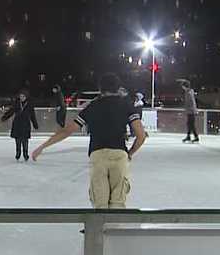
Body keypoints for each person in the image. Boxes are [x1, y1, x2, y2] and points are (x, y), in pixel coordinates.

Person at [32, 73, 146, 209]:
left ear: (100, 88)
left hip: (97, 155)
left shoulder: (92, 106)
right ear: (118, 88)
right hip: (119, 154)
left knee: (100, 203)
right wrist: (130, 153)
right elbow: (141, 135)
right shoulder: (126, 106)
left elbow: (67, 131)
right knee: (118, 202)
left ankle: (98, 229)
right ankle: (114, 228)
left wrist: (42, 147)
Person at [2, 89, 39, 161]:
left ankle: (25, 154)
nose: (21, 98)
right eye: (20, 96)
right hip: (17, 124)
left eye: (23, 96)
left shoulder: (29, 105)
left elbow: (32, 115)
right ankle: (18, 153)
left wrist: (35, 124)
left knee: (25, 141)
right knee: (18, 140)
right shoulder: (17, 103)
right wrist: (5, 117)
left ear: (26, 97)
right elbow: (11, 111)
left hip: (25, 124)